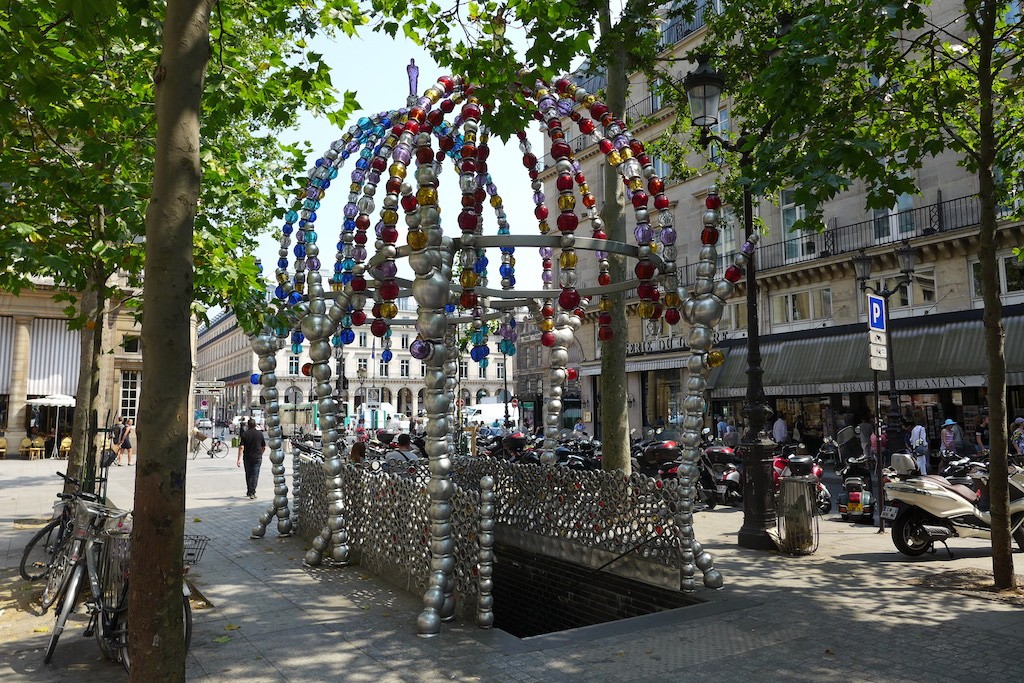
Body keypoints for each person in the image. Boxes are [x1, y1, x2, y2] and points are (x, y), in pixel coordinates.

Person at [237, 418, 266, 499]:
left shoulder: (245, 434)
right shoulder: (260, 434)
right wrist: (260, 454)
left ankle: (249, 491)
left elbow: (241, 447)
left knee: (248, 474)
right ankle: (252, 492)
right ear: (255, 424)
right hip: (257, 458)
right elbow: (264, 447)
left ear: (248, 425)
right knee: (255, 475)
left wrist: (238, 459)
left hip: (247, 457)